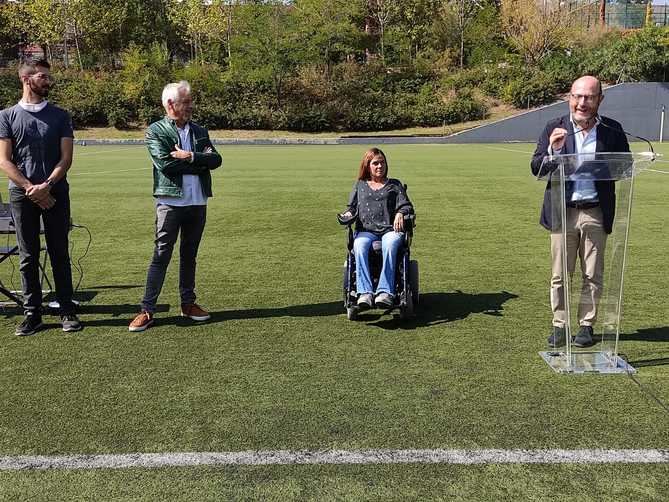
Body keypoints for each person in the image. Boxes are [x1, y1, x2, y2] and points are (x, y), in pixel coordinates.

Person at [530, 75, 630, 348]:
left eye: (589, 97)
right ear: (569, 98)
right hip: (563, 211)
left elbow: (626, 166)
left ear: (600, 99)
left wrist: (603, 168)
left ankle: (586, 325)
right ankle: (560, 326)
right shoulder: (555, 127)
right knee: (560, 274)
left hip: (595, 211)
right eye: (577, 96)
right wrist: (553, 150)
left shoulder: (612, 129)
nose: (582, 103)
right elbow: (536, 167)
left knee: (593, 273)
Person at [129, 80, 222, 332]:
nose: (191, 106)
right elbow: (165, 165)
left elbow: (216, 160)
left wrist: (189, 155)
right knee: (161, 255)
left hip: (197, 202)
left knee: (189, 256)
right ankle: (147, 310)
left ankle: (188, 304)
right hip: (170, 203)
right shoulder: (156, 131)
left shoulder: (200, 131)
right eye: (186, 102)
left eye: (190, 101)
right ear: (171, 104)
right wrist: (199, 162)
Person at [0, 59, 82, 336]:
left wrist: (46, 185)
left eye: (48, 76)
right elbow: (4, 160)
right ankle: (32, 314)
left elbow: (66, 158)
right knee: (27, 254)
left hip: (55, 191)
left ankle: (67, 311)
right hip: (22, 195)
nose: (49, 81)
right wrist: (30, 189)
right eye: (43, 76)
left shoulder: (60, 116)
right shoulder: (6, 116)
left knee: (59, 251)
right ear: (26, 79)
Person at [340, 148, 413, 309]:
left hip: (390, 230)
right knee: (359, 245)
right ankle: (365, 292)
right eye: (375, 163)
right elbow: (351, 208)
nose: (380, 166)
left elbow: (407, 205)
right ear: (367, 166)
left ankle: (385, 292)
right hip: (366, 231)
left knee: (390, 243)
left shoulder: (395, 184)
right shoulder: (360, 185)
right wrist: (346, 215)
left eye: (382, 163)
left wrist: (401, 212)